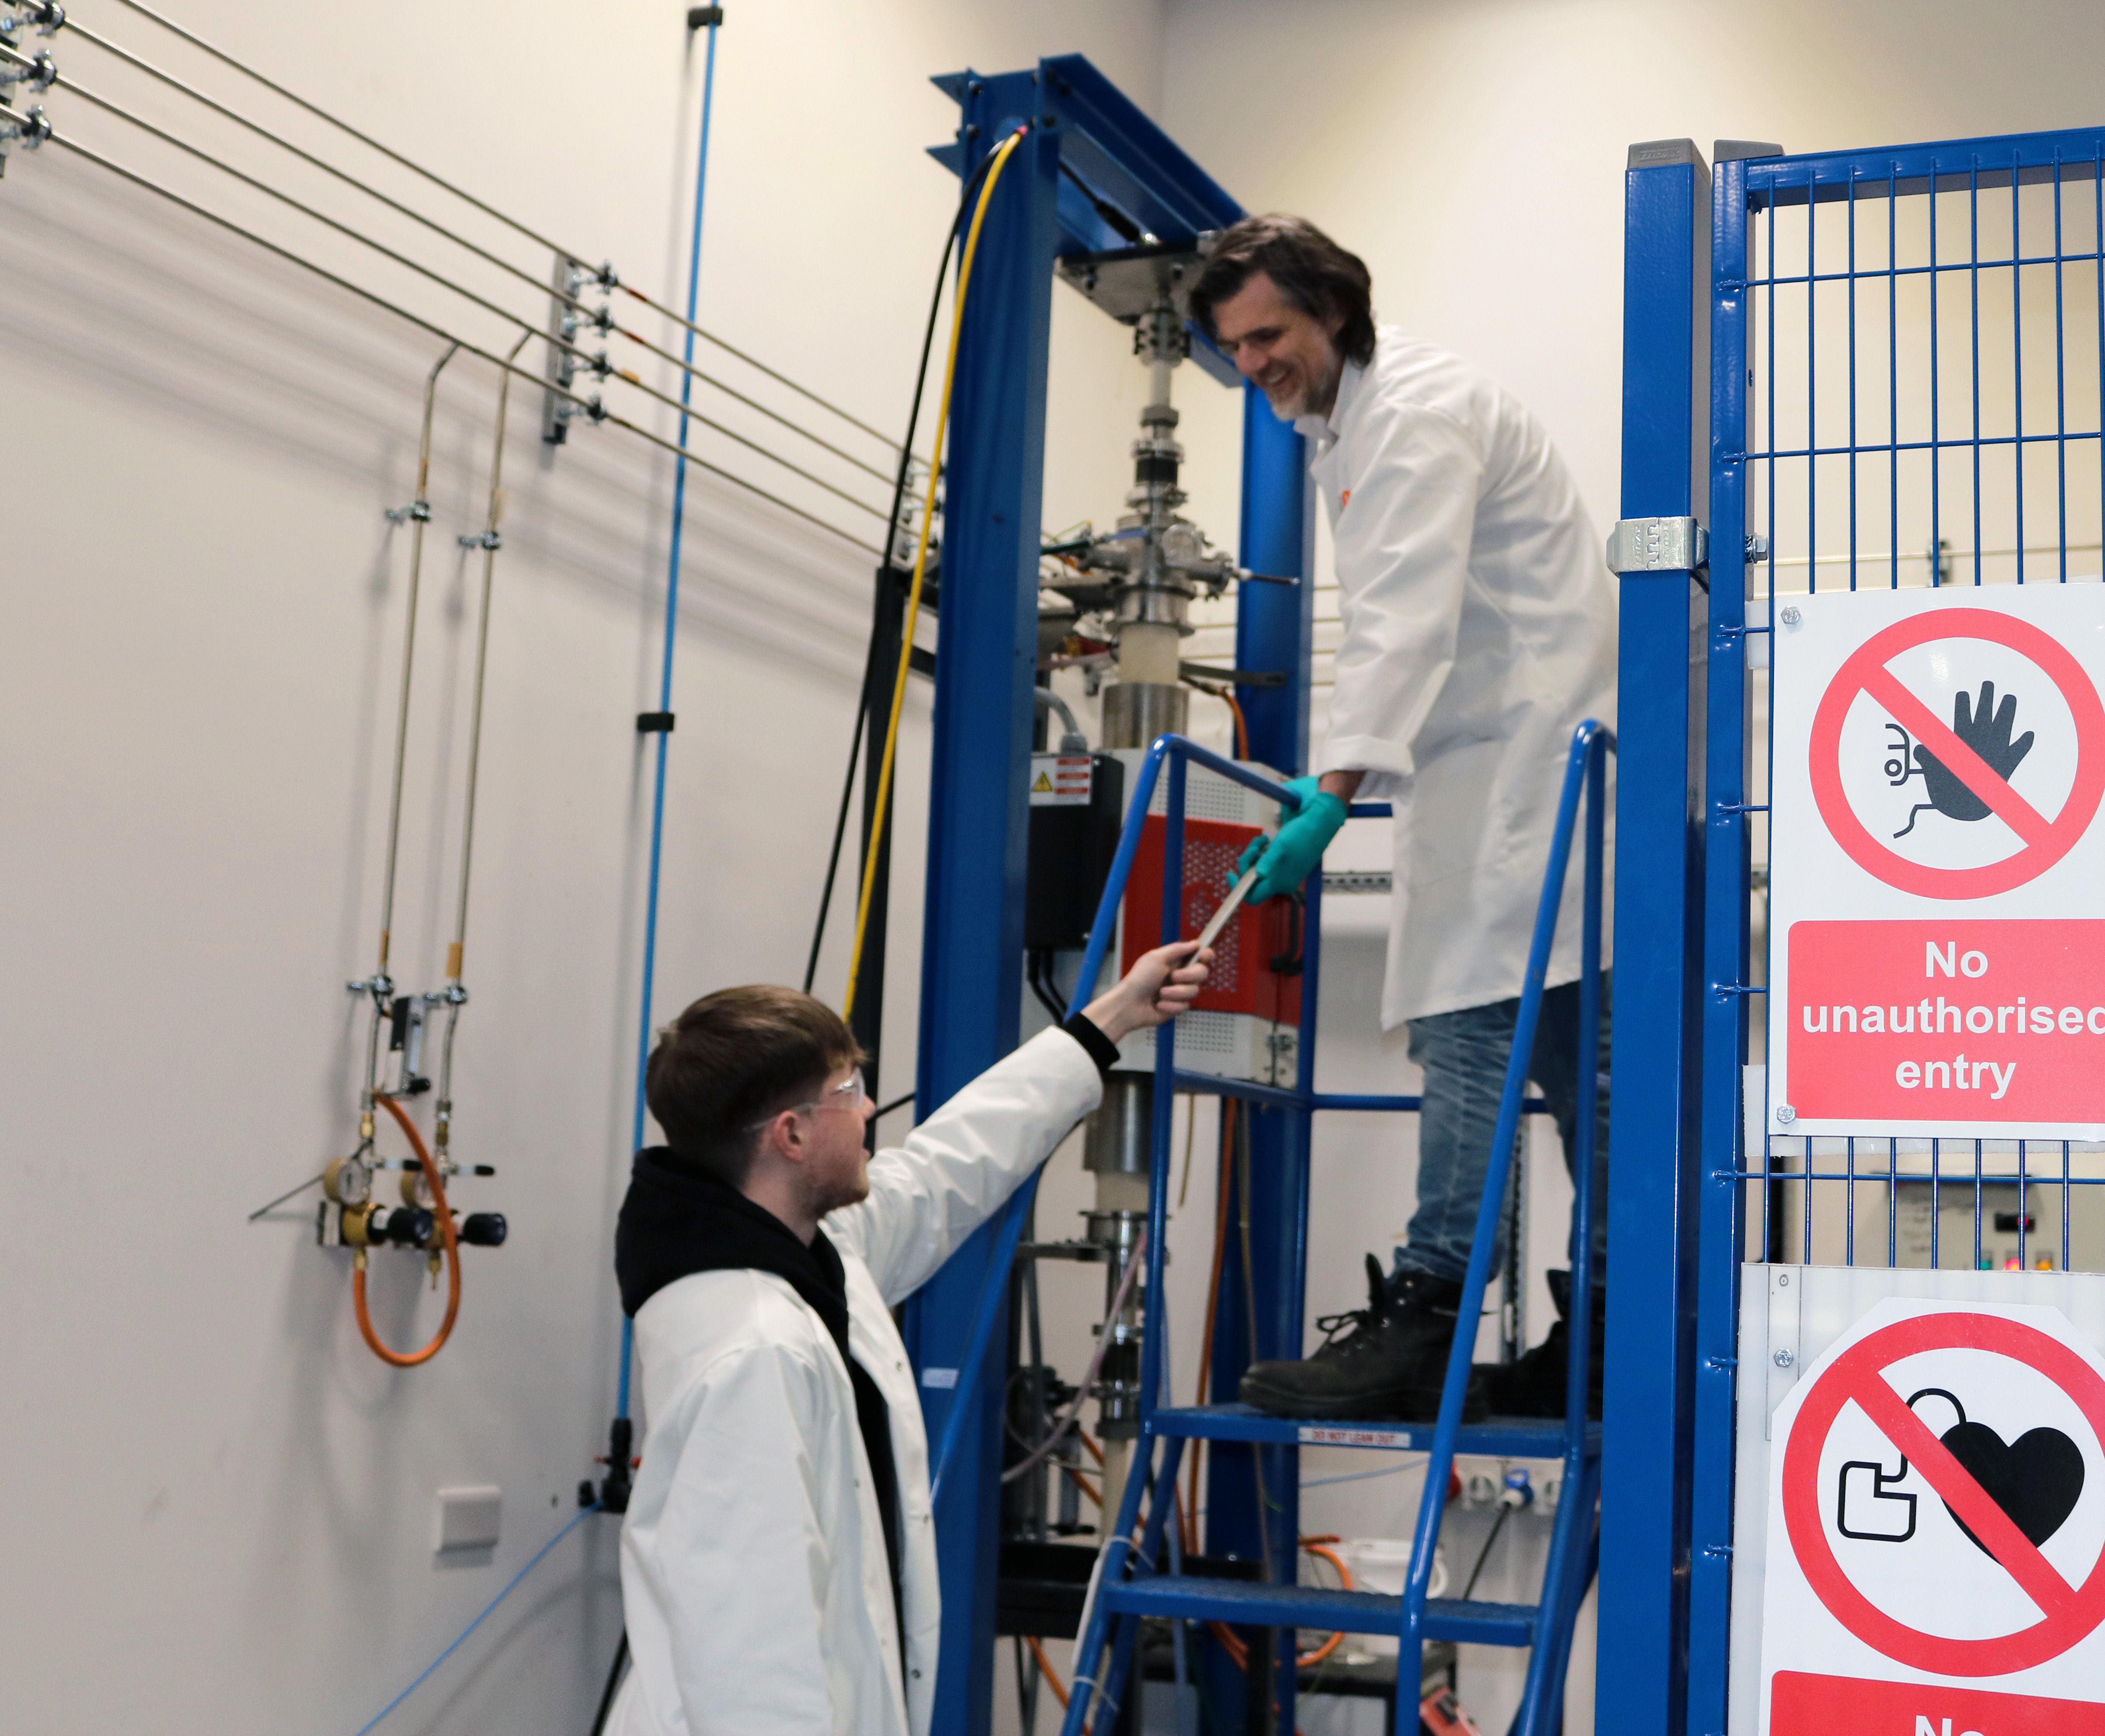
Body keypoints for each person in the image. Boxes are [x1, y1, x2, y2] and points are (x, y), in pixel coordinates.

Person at [1191, 214, 1619, 1422]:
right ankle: (1609, 1328)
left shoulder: (1414, 414)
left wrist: (1328, 798)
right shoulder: (1352, 424)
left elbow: (1401, 624)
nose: (1252, 363)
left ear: (1332, 308)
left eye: (1267, 334)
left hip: (1526, 763)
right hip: (1509, 763)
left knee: (1470, 1032)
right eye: (1234, 346)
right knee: (1579, 1067)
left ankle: (1430, 1316)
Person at [603, 941, 1208, 1736]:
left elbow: (941, 1171)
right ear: (789, 1135)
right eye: (848, 1091)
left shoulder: (807, 1255)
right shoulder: (755, 1351)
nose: (869, 1111)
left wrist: (1112, 1019)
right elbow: (754, 1652)